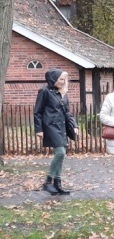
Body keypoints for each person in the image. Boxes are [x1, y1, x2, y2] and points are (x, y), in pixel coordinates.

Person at [34, 68, 78, 196]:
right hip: (50, 127)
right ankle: (48, 182)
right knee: (60, 152)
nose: (63, 82)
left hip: (62, 127)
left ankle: (57, 184)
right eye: (61, 79)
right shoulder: (44, 91)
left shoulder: (62, 93)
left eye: (64, 79)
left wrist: (74, 125)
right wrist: (39, 129)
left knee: (62, 155)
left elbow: (67, 112)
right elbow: (37, 112)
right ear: (53, 79)